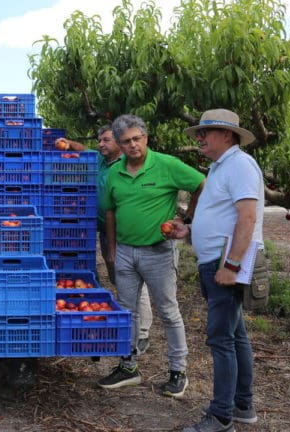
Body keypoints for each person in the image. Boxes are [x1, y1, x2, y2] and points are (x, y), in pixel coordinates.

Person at [97, 114, 205, 398]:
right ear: (119, 144)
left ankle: (178, 372)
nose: (133, 145)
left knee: (168, 310)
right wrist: (111, 247)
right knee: (127, 310)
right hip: (125, 251)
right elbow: (110, 210)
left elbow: (201, 184)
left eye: (137, 138)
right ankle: (128, 367)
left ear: (146, 138)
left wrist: (187, 218)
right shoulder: (114, 172)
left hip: (158, 251)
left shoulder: (166, 165)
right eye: (126, 141)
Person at [169, 109, 263, 432]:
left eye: (205, 132)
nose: (199, 138)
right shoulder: (220, 167)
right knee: (235, 335)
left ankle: (221, 416)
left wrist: (232, 265)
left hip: (225, 263)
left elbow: (247, 218)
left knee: (221, 339)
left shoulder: (239, 165)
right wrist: (189, 232)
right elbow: (220, 215)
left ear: (227, 135)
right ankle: (242, 405)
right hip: (215, 261)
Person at [55, 129, 154, 355]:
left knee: (133, 278)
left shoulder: (128, 164)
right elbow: (83, 149)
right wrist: (68, 143)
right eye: (99, 140)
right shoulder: (101, 160)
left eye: (106, 140)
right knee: (118, 275)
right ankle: (130, 325)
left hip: (124, 230)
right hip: (105, 229)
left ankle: (142, 332)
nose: (101, 144)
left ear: (120, 143)